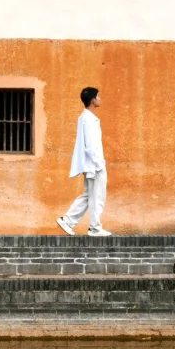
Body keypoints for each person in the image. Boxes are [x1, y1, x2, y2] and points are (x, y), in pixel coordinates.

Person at [57, 87, 112, 237]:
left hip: (91, 164)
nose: (100, 98)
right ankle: (95, 228)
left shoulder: (85, 117)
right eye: (98, 96)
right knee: (97, 196)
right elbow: (90, 145)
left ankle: (67, 221)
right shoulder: (88, 119)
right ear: (93, 100)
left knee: (89, 195)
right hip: (94, 165)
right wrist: (99, 163)